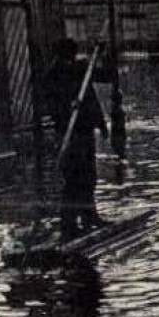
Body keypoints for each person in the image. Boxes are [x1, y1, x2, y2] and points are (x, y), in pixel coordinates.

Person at [44, 38, 109, 240]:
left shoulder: (81, 70)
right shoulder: (52, 76)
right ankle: (69, 225)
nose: (69, 61)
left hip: (84, 131)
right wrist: (66, 108)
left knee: (89, 176)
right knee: (73, 179)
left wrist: (101, 124)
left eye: (71, 57)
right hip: (68, 133)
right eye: (66, 58)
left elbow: (95, 91)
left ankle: (90, 216)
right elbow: (50, 105)